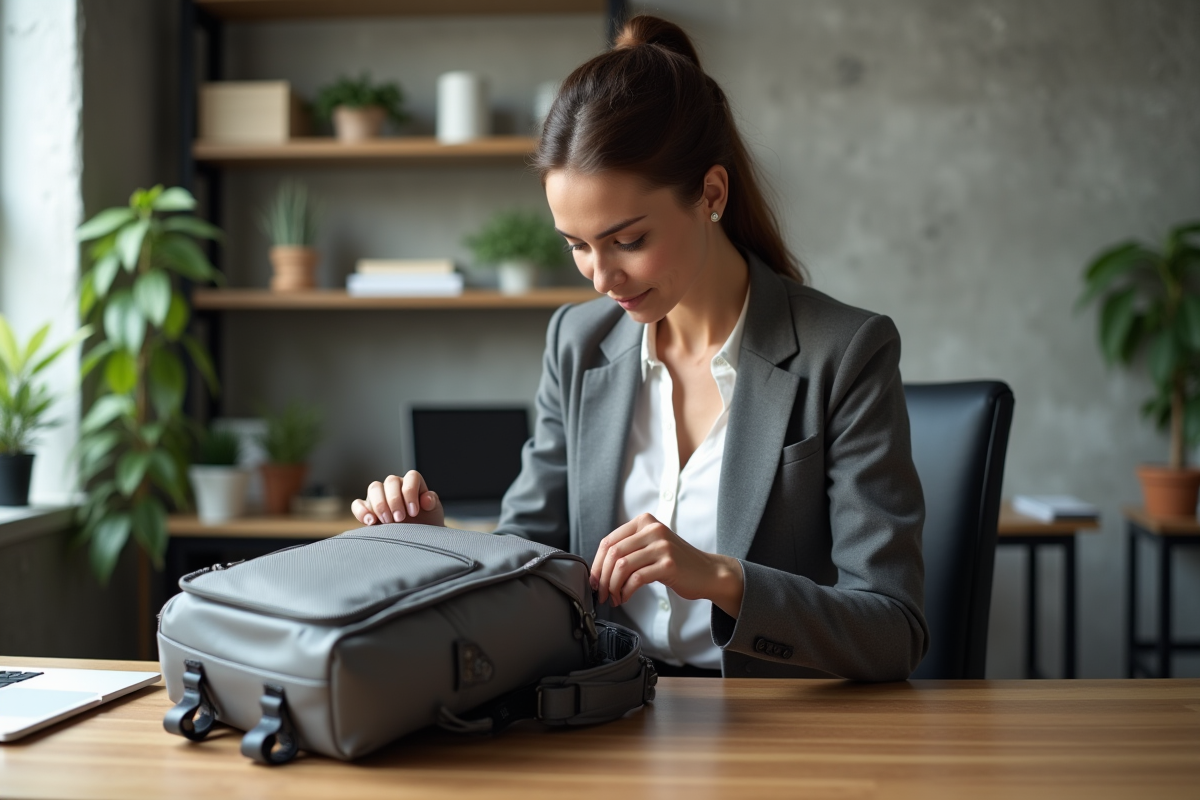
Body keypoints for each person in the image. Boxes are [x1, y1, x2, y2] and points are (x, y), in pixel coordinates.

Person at [351, 15, 928, 681]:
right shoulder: (578, 343)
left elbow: (893, 630)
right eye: (577, 245)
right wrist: (441, 545)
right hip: (611, 707)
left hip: (770, 722)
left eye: (627, 241)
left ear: (711, 194)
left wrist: (720, 578)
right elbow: (528, 558)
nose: (601, 277)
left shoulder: (845, 353)